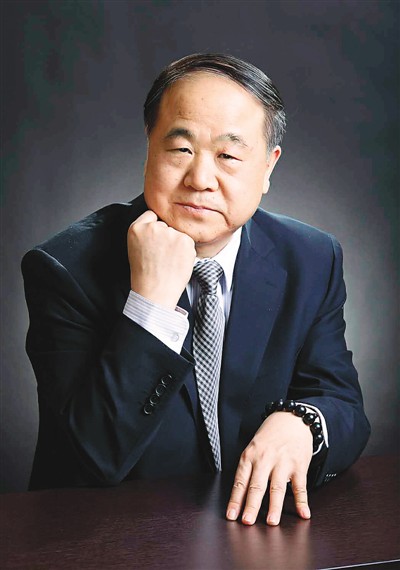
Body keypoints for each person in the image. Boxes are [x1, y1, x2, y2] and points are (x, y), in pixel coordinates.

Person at [22, 53, 370, 526]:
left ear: (269, 167)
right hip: (105, 538)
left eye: (228, 156)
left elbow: (343, 404)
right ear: (150, 145)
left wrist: (304, 423)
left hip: (254, 531)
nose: (200, 180)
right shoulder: (65, 269)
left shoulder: (310, 258)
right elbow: (91, 460)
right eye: (181, 149)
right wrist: (150, 305)